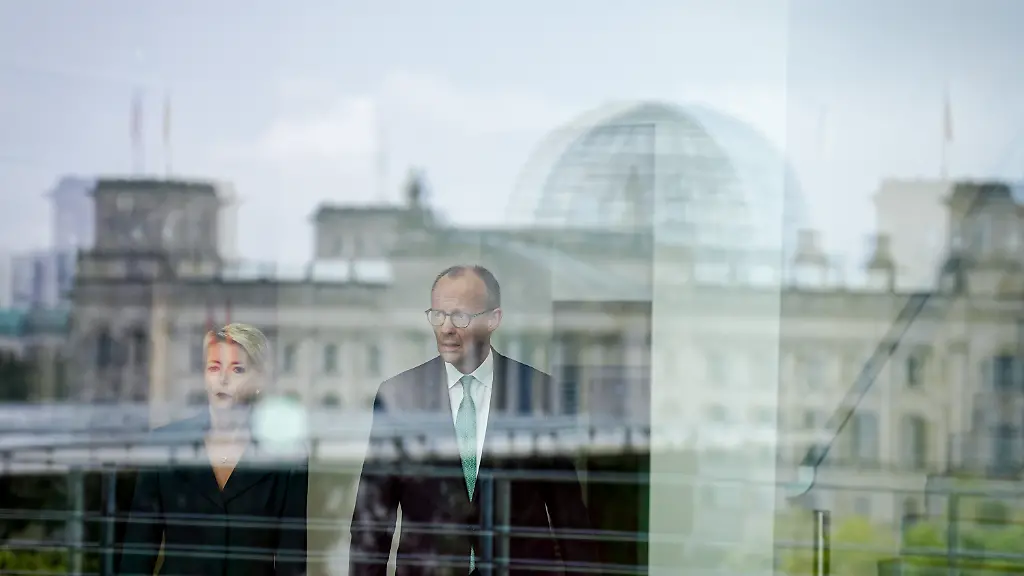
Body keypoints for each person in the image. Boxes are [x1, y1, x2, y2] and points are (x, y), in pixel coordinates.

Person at [350, 265, 601, 576]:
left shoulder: (540, 393)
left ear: (493, 319)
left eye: (460, 317)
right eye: (437, 315)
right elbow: (372, 522)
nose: (445, 328)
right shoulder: (399, 396)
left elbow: (569, 516)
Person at [119, 323, 307, 576]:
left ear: (259, 380)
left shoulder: (286, 454)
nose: (223, 379)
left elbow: (291, 558)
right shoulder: (165, 445)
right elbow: (139, 549)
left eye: (237, 369)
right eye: (214, 368)